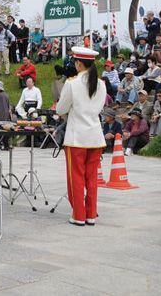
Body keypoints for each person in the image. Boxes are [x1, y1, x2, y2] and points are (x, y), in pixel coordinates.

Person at [55, 46, 106, 226]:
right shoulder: (101, 84)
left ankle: (78, 215)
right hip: (95, 136)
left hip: (77, 137)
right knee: (91, 178)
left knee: (76, 177)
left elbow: (60, 109)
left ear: (78, 63)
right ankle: (91, 214)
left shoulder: (72, 83)